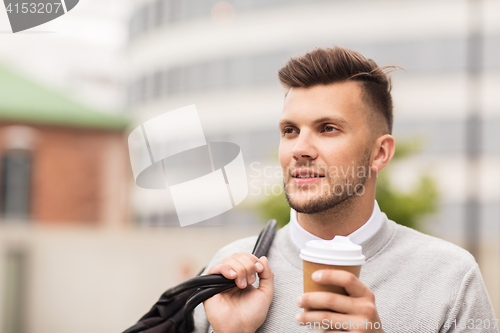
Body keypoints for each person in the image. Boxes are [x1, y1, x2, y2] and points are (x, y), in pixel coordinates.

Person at [191, 46, 498, 333]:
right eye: (290, 130)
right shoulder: (228, 272)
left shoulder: (451, 278)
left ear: (380, 153)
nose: (299, 149)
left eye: (328, 128)